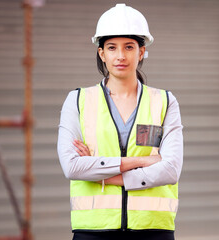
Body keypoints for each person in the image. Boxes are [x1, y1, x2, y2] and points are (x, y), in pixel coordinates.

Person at [57, 3, 183, 240]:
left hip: (153, 230)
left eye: (129, 47)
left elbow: (170, 169)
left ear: (141, 52)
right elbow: (72, 167)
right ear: (101, 53)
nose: (121, 56)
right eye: (112, 47)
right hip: (93, 231)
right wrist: (142, 161)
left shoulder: (165, 101)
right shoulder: (78, 101)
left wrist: (100, 172)